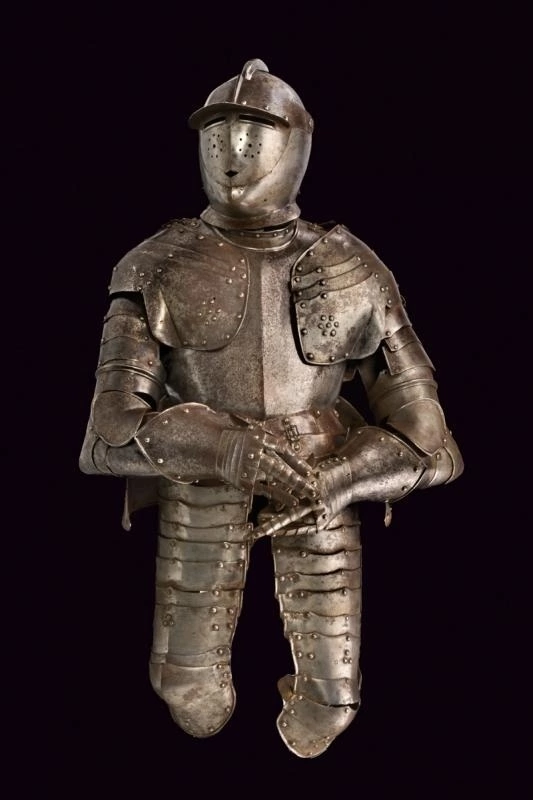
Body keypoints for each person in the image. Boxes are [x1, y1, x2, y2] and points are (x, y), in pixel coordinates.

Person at [79, 59, 463, 758]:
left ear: (294, 146)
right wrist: (224, 448)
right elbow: (106, 436)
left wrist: (341, 478)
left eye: (252, 137)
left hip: (319, 480)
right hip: (201, 478)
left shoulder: (351, 267)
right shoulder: (157, 263)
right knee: (186, 691)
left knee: (331, 706)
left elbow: (430, 440)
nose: (232, 155)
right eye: (218, 137)